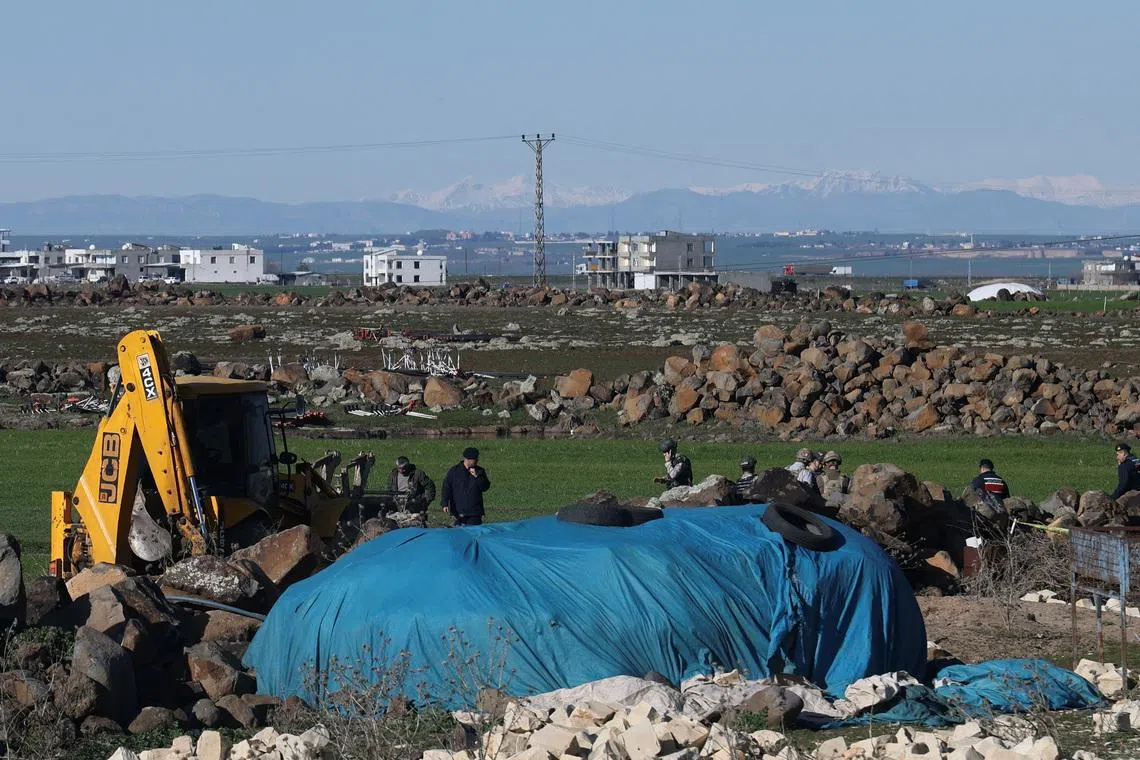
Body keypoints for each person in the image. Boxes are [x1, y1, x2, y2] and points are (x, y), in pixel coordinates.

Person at [441, 446, 491, 526]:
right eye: (475, 459)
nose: (477, 461)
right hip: (457, 511)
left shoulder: (480, 471)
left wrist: (477, 477)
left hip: (474, 512)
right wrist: (445, 503)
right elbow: (446, 487)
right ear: (468, 459)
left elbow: (485, 487)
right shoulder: (454, 471)